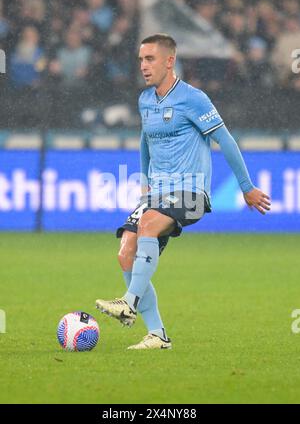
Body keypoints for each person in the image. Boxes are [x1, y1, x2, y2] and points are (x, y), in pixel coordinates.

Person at [96, 34, 271, 350]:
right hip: (158, 194)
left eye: (150, 59)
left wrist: (247, 188)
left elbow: (226, 140)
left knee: (148, 224)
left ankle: (128, 302)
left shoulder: (194, 98)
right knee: (126, 251)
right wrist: (146, 182)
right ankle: (157, 335)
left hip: (191, 194)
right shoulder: (145, 100)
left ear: (169, 60)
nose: (143, 66)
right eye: (140, 59)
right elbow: (145, 141)